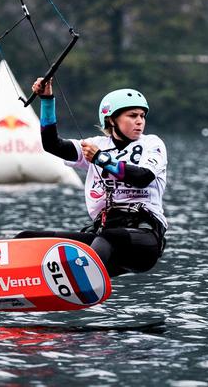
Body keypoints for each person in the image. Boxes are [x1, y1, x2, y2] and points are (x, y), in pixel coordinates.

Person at [15, 78, 168, 277]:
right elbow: (52, 145)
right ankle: (8, 282)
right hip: (102, 238)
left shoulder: (152, 144)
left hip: (144, 239)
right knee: (26, 238)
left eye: (142, 116)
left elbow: (142, 177)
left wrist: (100, 158)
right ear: (112, 120)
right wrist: (47, 99)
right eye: (132, 115)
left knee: (107, 238)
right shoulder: (96, 144)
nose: (140, 121)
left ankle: (78, 279)